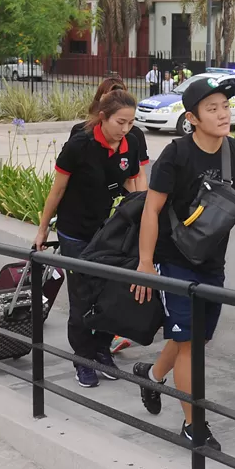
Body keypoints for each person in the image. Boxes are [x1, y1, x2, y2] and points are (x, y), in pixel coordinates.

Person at [130, 77, 235, 453]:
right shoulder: (176, 155)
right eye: (212, 108)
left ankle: (152, 375)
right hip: (174, 261)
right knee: (191, 343)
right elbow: (151, 208)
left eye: (225, 106)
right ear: (192, 117)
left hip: (211, 261)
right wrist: (145, 262)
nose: (223, 114)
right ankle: (194, 425)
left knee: (196, 336)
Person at [34, 89, 142, 388]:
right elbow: (57, 190)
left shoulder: (129, 144)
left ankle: (101, 349)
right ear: (103, 117)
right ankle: (83, 358)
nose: (126, 129)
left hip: (106, 230)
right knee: (82, 298)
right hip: (74, 232)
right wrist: (43, 228)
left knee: (110, 295)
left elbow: (131, 183)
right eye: (120, 122)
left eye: (131, 123)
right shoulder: (79, 145)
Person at [70, 77, 149, 191]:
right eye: (109, 99)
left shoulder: (135, 135)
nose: (124, 129)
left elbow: (138, 176)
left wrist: (139, 204)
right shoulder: (81, 132)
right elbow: (67, 176)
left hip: (120, 204)